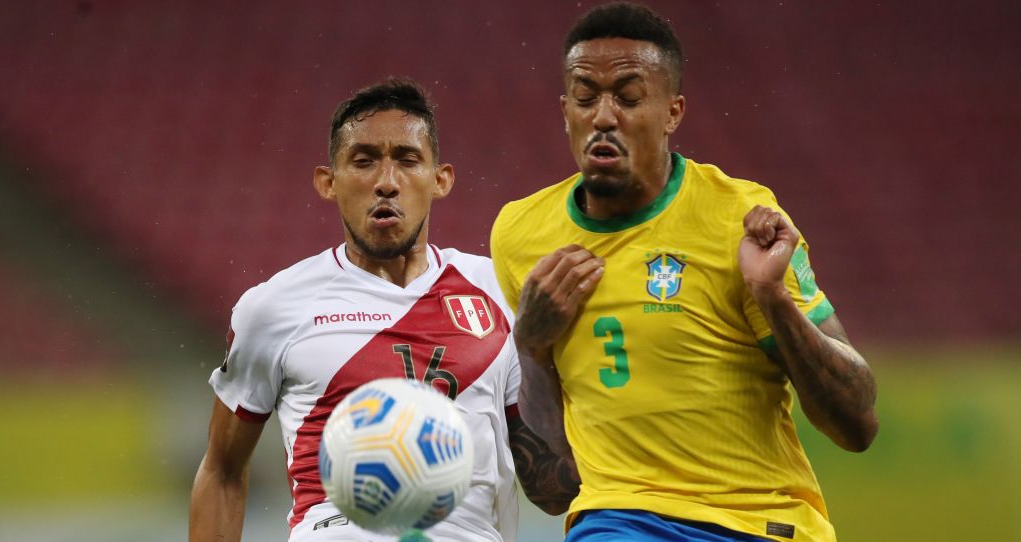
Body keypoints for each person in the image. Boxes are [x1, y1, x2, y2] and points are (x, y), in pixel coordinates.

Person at [489, 3, 879, 541]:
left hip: (758, 521)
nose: (603, 116)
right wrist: (531, 348)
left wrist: (771, 296)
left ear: (673, 112)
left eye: (627, 98)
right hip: (617, 518)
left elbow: (857, 423)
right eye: (585, 97)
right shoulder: (521, 234)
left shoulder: (737, 218)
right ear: (565, 110)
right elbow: (555, 486)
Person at [190, 79, 579, 542]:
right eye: (363, 161)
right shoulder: (274, 308)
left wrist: (536, 349)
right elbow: (222, 470)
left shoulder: (499, 291)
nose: (387, 183)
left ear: (441, 179)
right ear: (328, 182)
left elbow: (554, 493)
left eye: (408, 160)